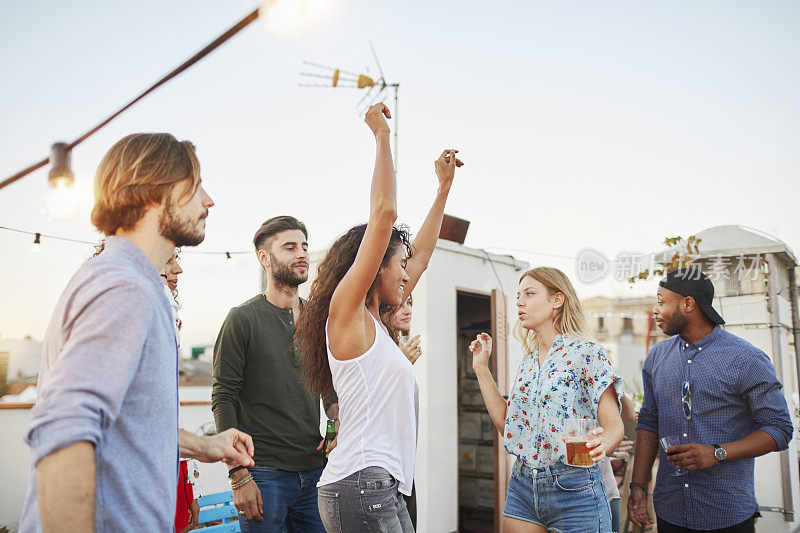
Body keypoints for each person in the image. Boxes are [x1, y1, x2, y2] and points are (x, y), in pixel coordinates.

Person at [20, 133, 254, 532]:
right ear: (155, 193)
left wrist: (206, 447)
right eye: (196, 186)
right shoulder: (126, 288)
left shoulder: (126, 281)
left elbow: (130, 426)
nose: (209, 201)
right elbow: (63, 430)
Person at [297, 102, 461, 533]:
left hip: (382, 485)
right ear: (375, 266)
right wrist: (382, 136)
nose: (408, 272)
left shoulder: (378, 328)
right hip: (359, 484)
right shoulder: (347, 310)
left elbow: (423, 255)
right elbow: (384, 214)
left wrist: (443, 189)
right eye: (400, 263)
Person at [628, 269, 794, 532]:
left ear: (688, 303)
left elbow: (780, 429)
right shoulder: (656, 356)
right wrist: (638, 485)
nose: (655, 310)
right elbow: (649, 421)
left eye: (661, 301)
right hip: (670, 510)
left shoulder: (747, 359)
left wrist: (718, 452)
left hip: (726, 513)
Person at [470, 267, 624, 533]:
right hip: (522, 485)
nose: (519, 301)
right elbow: (508, 425)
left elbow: (614, 423)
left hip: (576, 488)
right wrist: (482, 368)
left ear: (557, 300)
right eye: (518, 295)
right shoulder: (528, 361)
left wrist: (603, 442)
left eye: (529, 294)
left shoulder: (588, 353)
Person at [212, 215, 339, 532]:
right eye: (290, 247)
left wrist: (336, 421)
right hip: (263, 473)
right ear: (264, 258)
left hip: (315, 471)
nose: (302, 254)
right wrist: (238, 474)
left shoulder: (316, 319)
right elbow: (223, 396)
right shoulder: (242, 319)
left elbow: (329, 384)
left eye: (304, 247)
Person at [162, 250, 204, 533]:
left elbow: (171, 413)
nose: (178, 269)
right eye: (169, 260)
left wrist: (191, 487)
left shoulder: (168, 314)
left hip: (172, 466)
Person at [383, 295, 421, 528]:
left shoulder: (398, 350)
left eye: (410, 304)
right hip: (383, 472)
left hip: (405, 470)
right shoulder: (381, 352)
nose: (407, 310)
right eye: (401, 304)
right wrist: (400, 366)